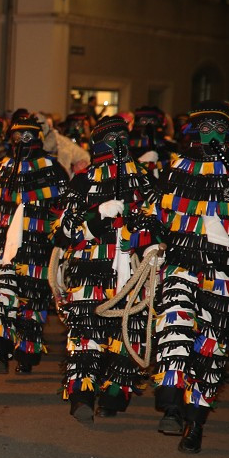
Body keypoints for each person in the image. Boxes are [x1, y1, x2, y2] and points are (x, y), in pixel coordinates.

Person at [152, 101, 229, 453]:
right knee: (175, 327)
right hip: (181, 265)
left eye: (218, 126)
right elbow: (157, 220)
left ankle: (195, 423)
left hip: (222, 273)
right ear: (194, 130)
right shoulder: (174, 170)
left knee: (210, 350)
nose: (211, 133)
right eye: (205, 126)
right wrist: (137, 232)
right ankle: (170, 403)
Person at [54, 115, 160, 422]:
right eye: (112, 139)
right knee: (85, 331)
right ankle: (82, 394)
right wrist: (97, 214)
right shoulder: (82, 181)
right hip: (90, 266)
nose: (119, 145)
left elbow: (159, 218)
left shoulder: (142, 178)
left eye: (123, 138)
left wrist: (150, 242)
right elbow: (64, 232)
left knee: (129, 333)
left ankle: (115, 393)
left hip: (132, 267)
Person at [0, 116, 69, 375]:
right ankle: (1, 348)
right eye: (17, 137)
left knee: (32, 302)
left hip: (37, 246)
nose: (22, 142)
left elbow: (62, 208)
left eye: (27, 137)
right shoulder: (4, 167)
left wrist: (58, 242)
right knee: (3, 295)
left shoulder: (52, 167)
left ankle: (26, 354)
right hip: (5, 246)